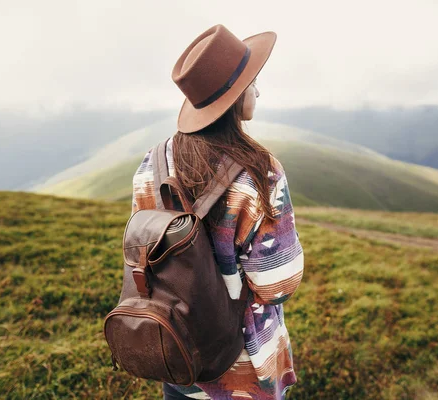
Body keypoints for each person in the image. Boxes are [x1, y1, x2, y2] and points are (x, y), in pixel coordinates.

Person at [130, 24, 304, 400]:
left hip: (176, 352)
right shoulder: (261, 171)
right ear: (237, 97)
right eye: (254, 82)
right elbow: (277, 284)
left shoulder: (152, 163)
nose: (259, 89)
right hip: (241, 370)